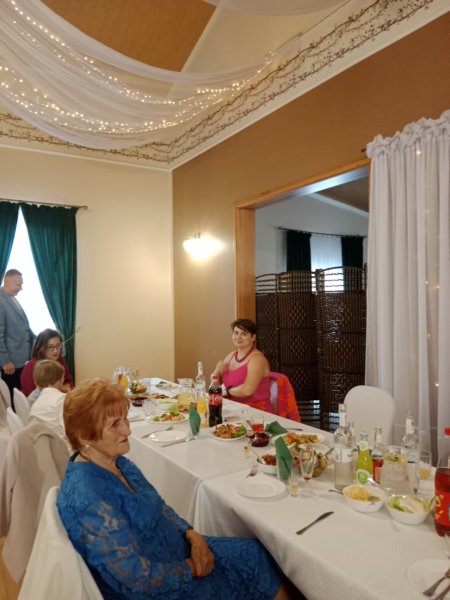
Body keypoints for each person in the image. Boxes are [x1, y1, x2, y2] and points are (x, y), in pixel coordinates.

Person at [57, 379, 292, 600]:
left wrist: (192, 535)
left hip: (175, 547)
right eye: (115, 425)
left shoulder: (118, 462)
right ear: (84, 436)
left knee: (254, 551)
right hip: (160, 583)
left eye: (125, 419)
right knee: (249, 564)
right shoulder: (88, 497)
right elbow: (136, 579)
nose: (128, 431)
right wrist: (190, 567)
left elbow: (160, 507)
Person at [213, 318, 272, 412]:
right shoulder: (231, 355)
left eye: (244, 334)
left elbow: (247, 391)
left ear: (253, 337)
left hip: (255, 412)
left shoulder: (257, 359)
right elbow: (216, 384)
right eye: (236, 333)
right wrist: (216, 372)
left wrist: (226, 392)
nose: (238, 337)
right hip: (232, 408)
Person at [0, 269, 35, 406]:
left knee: (21, 396)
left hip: (21, 359)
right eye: (18, 285)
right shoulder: (1, 301)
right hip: (11, 363)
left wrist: (41, 340)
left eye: (21, 285)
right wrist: (5, 361)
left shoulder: (11, 298)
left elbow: (24, 327)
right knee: (13, 400)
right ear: (6, 281)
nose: (21, 288)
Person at [20, 328, 73, 397]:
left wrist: (67, 385)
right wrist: (60, 389)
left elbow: (69, 380)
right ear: (41, 348)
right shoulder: (32, 366)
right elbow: (32, 394)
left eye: (58, 345)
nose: (55, 351)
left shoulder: (60, 360)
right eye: (50, 347)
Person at [28, 359, 67, 445]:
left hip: (40, 446)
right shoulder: (62, 399)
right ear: (61, 380)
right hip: (61, 448)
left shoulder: (36, 403)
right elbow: (66, 430)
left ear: (36, 383)